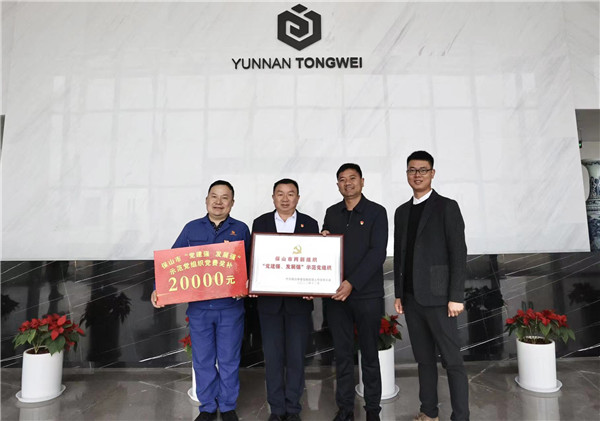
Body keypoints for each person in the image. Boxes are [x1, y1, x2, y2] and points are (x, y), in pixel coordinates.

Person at [151, 180, 250, 421]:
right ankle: (207, 407)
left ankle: (227, 406)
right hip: (200, 309)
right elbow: (171, 263)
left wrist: (246, 284)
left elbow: (250, 264)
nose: (219, 202)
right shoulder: (191, 228)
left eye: (225, 197)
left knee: (228, 359)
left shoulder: (241, 229)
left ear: (232, 203)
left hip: (230, 308)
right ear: (206, 200)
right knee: (203, 359)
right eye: (214, 196)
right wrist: (158, 289)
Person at [393, 151, 469, 421]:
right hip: (412, 298)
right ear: (407, 174)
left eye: (423, 170)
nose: (417, 175)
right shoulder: (402, 212)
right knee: (424, 360)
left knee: (452, 361)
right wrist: (399, 293)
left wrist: (456, 296)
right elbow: (400, 255)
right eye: (412, 170)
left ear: (432, 173)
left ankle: (461, 416)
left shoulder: (447, 207)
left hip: (440, 298)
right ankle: (428, 412)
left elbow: (458, 252)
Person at [322, 163, 388, 421]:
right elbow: (327, 250)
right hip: (336, 297)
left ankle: (373, 411)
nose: (347, 183)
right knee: (342, 355)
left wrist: (352, 283)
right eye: (342, 179)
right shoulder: (332, 213)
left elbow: (377, 253)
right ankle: (345, 410)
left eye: (352, 178)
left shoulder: (376, 212)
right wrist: (322, 239)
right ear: (337, 184)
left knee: (370, 354)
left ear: (362, 181)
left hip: (367, 295)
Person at [251, 178, 319, 421]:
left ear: (298, 198)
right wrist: (253, 280)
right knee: (273, 358)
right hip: (269, 304)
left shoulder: (310, 224)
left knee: (296, 358)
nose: (285, 198)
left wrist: (314, 285)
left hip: (299, 304)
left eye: (291, 194)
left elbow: (315, 259)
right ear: (273, 197)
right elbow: (254, 258)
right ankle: (277, 409)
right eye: (280, 193)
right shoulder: (261, 222)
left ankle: (293, 409)